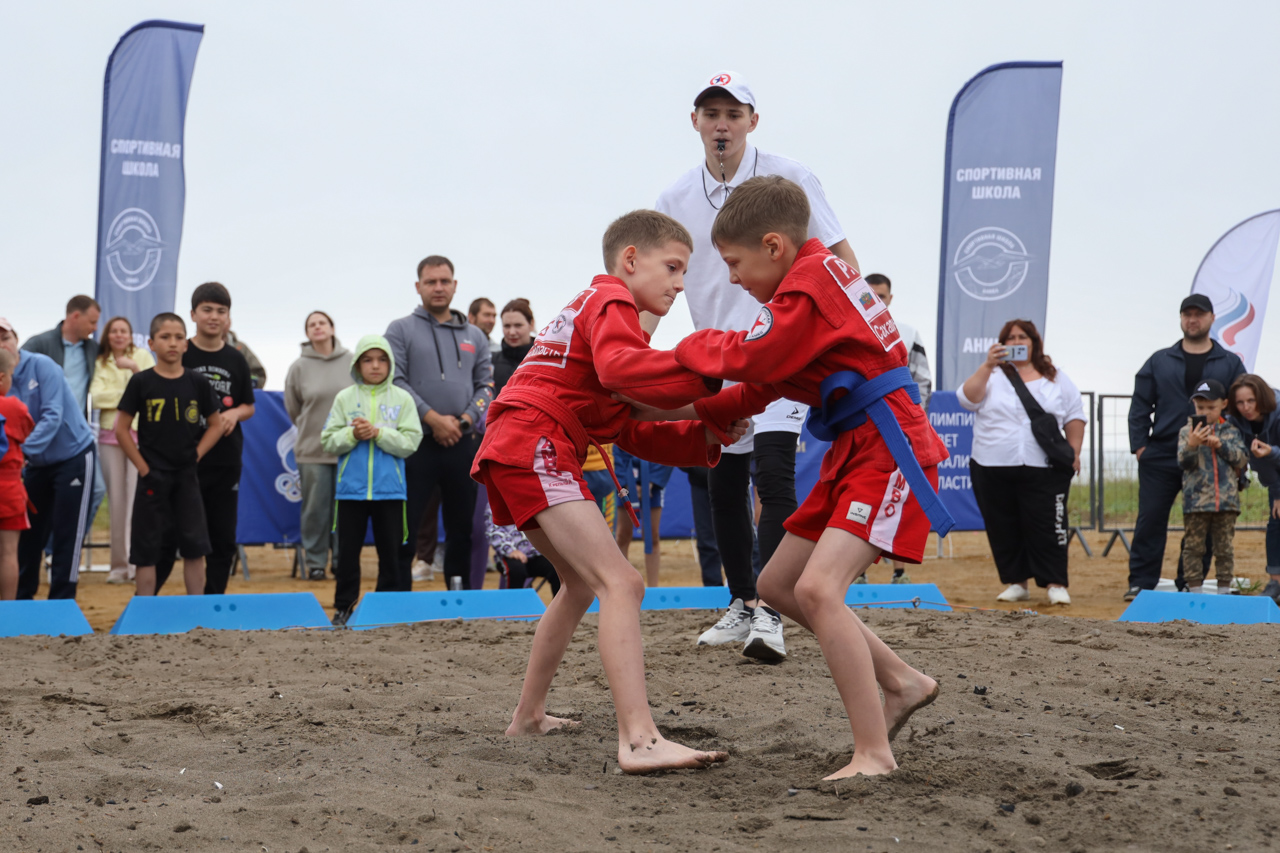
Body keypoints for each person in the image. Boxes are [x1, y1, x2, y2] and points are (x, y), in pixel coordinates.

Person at [657, 176, 947, 777]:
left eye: (735, 264)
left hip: (888, 446)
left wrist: (676, 354)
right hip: (856, 446)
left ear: (774, 246)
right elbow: (761, 385)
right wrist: (674, 406)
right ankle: (901, 683)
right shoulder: (820, 279)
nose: (732, 279)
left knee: (818, 590)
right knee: (779, 585)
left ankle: (872, 753)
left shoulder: (811, 284)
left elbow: (750, 360)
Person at [472, 209, 739, 772]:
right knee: (622, 582)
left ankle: (528, 716)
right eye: (673, 267)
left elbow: (630, 425)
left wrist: (706, 432)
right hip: (535, 442)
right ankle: (640, 741)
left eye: (685, 272)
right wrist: (713, 370)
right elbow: (627, 373)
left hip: (522, 445)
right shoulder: (611, 300)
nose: (680, 283)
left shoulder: (592, 318)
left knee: (578, 584)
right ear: (630, 260)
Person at [653, 71, 860, 656]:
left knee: (772, 473)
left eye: (733, 114)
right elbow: (661, 278)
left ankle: (771, 610)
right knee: (723, 481)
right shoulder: (674, 198)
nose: (722, 124)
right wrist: (633, 353)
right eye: (710, 113)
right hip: (718, 354)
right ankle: (741, 602)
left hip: (787, 347)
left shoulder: (789, 177)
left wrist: (864, 319)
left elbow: (838, 251)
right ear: (694, 122)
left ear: (752, 122)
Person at [1127, 294, 1246, 600]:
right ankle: (1141, 582)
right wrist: (1140, 447)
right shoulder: (1159, 360)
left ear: (1211, 318)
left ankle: (1187, 582)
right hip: (1162, 453)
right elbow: (1140, 405)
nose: (1192, 319)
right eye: (1187, 314)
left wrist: (1236, 456)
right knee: (1150, 519)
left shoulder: (1230, 362)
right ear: (1181, 319)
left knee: (1203, 526)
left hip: (1210, 459)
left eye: (1199, 314)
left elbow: (1241, 409)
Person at [958, 320, 1085, 605]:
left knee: (1048, 526)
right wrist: (988, 365)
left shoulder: (1056, 377)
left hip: (1044, 465)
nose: (1017, 342)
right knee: (1003, 526)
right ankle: (1017, 583)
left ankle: (1055, 584)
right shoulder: (992, 374)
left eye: (1023, 337)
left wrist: (1075, 451)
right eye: (1010, 338)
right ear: (1002, 344)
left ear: (1034, 342)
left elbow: (1075, 415)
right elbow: (967, 399)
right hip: (991, 463)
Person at [386, 255, 493, 590]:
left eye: (444, 281)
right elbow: (396, 381)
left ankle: (459, 594)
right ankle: (398, 595)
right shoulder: (400, 329)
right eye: (430, 282)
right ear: (418, 286)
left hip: (462, 444)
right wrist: (433, 419)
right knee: (407, 525)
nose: (438, 287)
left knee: (461, 528)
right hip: (416, 443)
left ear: (455, 285)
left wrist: (463, 421)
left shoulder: (475, 335)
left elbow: (486, 387)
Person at [154, 283, 257, 595]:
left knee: (222, 535)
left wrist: (233, 414)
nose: (214, 317)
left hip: (225, 461)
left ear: (228, 318)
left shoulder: (237, 358)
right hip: (184, 461)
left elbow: (248, 405)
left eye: (221, 311)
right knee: (170, 534)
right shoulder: (180, 352)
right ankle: (147, 601)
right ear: (193, 314)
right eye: (207, 310)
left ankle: (212, 605)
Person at [114, 314, 224, 596]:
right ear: (151, 343)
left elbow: (216, 424)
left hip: (187, 476)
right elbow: (121, 429)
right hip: (152, 477)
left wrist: (196, 455)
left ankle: (197, 611)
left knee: (194, 546)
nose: (172, 343)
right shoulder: (141, 382)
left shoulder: (197, 382)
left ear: (186, 344)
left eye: (178, 337)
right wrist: (142, 467)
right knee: (146, 549)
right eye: (164, 337)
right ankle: (144, 610)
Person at [321, 335, 423, 625]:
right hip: (350, 493)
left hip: (390, 492)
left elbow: (411, 441)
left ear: (390, 364)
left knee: (390, 555)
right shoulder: (344, 398)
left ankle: (385, 610)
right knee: (347, 556)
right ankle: (344, 608)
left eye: (381, 359)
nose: (375, 366)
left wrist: (378, 433)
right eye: (368, 359)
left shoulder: (402, 398)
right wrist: (352, 434)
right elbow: (328, 441)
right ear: (357, 364)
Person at [1, 318, 97, 600]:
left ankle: (62, 601)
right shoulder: (1, 376)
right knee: (28, 535)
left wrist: (19, 453)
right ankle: (22, 599)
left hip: (74, 455)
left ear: (16, 340)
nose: (1, 344)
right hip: (35, 463)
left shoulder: (42, 365)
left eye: (5, 337)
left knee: (68, 534)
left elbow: (52, 415)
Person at [864, 273, 932, 585]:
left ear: (890, 298)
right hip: (861, 430)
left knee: (894, 497)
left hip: (898, 431)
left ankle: (898, 572)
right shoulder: (848, 331)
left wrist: (911, 422)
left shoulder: (907, 333)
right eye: (871, 295)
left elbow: (922, 383)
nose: (877, 301)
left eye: (882, 296)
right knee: (859, 496)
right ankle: (857, 572)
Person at [284, 311, 353, 581]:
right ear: (307, 333)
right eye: (311, 325)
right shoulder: (298, 367)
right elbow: (293, 408)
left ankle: (341, 560)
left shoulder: (351, 361)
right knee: (315, 510)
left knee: (345, 511)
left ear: (332, 328)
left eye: (322, 322)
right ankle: (315, 562)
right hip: (312, 450)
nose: (317, 327)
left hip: (347, 450)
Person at [89, 316, 155, 584]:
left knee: (136, 502)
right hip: (109, 436)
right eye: (113, 331)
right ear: (107, 335)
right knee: (117, 501)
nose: (118, 335)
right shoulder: (99, 361)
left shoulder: (142, 356)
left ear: (131, 335)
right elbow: (95, 396)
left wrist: (134, 370)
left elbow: (152, 388)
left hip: (140, 435)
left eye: (123, 331)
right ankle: (118, 566)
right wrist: (128, 395)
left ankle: (136, 564)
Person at [1178, 379, 1248, 593]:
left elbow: (1242, 460)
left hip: (1226, 502)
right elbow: (1183, 462)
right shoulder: (1187, 432)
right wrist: (1192, 445)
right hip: (1196, 503)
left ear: (1224, 404)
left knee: (1224, 548)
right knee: (1193, 548)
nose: (1205, 412)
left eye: (1211, 407)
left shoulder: (1230, 431)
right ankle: (1194, 589)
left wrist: (1221, 445)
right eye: (1200, 408)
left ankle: (1224, 590)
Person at [1225, 374, 1280, 601]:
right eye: (1240, 402)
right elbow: (1258, 460)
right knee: (1276, 523)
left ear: (1262, 398)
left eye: (1251, 401)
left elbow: (1267, 455)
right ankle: (1275, 584)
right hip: (1273, 474)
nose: (1246, 407)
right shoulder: (1236, 422)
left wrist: (1272, 452)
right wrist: (1277, 492)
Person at [21, 295, 101, 409]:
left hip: (76, 424)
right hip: (44, 421)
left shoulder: (94, 348)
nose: (95, 328)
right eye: (92, 322)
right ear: (76, 316)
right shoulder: (39, 344)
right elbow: (13, 368)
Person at [0, 348, 35, 601]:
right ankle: (7, 613)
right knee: (8, 554)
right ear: (2, 378)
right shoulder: (14, 406)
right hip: (9, 489)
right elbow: (26, 431)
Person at [612, 447, 671, 587]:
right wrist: (626, 484)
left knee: (652, 536)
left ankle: (653, 587)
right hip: (625, 480)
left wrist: (651, 482)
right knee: (622, 535)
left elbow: (667, 447)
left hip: (653, 479)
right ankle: (622, 585)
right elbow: (616, 448)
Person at [485, 505, 561, 596]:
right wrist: (510, 550)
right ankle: (514, 607)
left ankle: (563, 608)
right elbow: (494, 531)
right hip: (509, 555)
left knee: (559, 568)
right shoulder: (495, 503)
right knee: (516, 571)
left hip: (536, 553)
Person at [679, 465, 723, 586]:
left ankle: (746, 590)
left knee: (740, 537)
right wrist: (693, 467)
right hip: (700, 482)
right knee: (706, 538)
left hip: (731, 479)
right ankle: (713, 590)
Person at [492, 299, 535, 395]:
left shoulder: (545, 362)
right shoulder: (491, 361)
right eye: (507, 326)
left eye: (518, 325)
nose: (511, 332)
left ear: (531, 324)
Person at [226, 325, 267, 389]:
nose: (214, 318)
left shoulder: (241, 348)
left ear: (228, 321)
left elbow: (258, 375)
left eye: (221, 314)